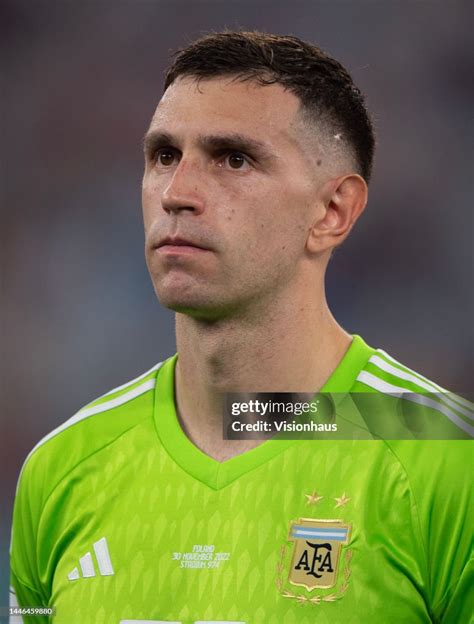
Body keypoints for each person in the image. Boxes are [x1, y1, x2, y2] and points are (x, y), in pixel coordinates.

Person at [10, 31, 472, 624]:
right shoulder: (63, 468)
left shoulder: (446, 460)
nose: (177, 194)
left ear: (332, 213)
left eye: (234, 158)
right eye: (164, 156)